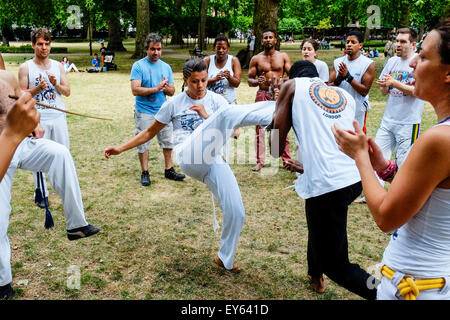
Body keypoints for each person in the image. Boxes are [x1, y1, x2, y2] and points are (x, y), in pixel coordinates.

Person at [104, 58, 277, 272]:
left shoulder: (216, 101)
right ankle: (277, 111)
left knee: (236, 211)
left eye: (204, 80)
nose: (201, 86)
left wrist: (206, 115)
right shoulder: (174, 103)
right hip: (188, 154)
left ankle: (225, 258)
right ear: (186, 81)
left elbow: (236, 132)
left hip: (213, 160)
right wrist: (120, 148)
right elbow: (149, 132)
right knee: (224, 115)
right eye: (195, 81)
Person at [332, 19, 450, 300]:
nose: (412, 64)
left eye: (423, 56)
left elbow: (386, 217)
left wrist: (360, 156)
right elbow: (433, 196)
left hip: (416, 286)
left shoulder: (438, 140)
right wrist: (385, 169)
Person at [270, 60, 378, 300]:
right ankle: (314, 274)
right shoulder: (341, 94)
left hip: (330, 185)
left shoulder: (291, 85)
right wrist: (307, 166)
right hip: (354, 177)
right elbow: (331, 141)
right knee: (318, 215)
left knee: (338, 265)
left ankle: (384, 292)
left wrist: (277, 112)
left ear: (292, 77)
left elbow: (275, 148)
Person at [0, 69, 99, 300]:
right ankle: (2, 282)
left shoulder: (6, 77)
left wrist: (35, 122)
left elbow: (24, 101)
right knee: (0, 217)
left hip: (22, 144)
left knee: (60, 153)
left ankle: (76, 225)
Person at [18, 27, 72, 209]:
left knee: (63, 154)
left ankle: (65, 190)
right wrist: (36, 89)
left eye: (47, 44)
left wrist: (55, 83)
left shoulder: (58, 66)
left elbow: (67, 92)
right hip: (38, 118)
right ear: (33, 45)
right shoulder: (25, 67)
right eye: (40, 44)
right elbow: (21, 95)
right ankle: (41, 192)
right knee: (39, 156)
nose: (44, 48)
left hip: (58, 116)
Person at [130, 33, 185, 186]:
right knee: (143, 142)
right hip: (144, 111)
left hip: (163, 111)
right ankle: (145, 172)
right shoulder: (138, 66)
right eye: (153, 49)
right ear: (146, 49)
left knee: (168, 141)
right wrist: (156, 88)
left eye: (159, 49)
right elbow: (135, 89)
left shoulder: (166, 67)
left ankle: (169, 170)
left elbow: (172, 91)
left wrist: (166, 88)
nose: (156, 53)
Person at [248, 29, 292, 171]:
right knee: (259, 128)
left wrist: (281, 81)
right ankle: (260, 161)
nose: (267, 40)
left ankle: (286, 160)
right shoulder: (256, 58)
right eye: (265, 37)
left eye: (270, 37)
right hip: (262, 94)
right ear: (261, 41)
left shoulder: (283, 56)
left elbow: (292, 76)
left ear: (275, 40)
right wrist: (256, 81)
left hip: (279, 94)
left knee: (282, 126)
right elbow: (249, 80)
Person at [328, 30, 376, 134]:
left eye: (353, 42)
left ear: (360, 45)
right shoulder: (337, 62)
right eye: (347, 42)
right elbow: (328, 86)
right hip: (339, 109)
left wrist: (348, 77)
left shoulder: (368, 64)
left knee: (355, 138)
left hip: (357, 109)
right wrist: (338, 80)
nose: (349, 45)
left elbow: (364, 91)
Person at [205, 33, 242, 139]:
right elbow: (200, 82)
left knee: (226, 136)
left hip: (228, 103)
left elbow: (237, 83)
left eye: (223, 48)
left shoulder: (234, 61)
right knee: (212, 135)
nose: (221, 50)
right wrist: (214, 79)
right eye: (218, 48)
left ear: (228, 49)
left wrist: (229, 77)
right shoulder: (207, 60)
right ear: (214, 48)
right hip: (211, 105)